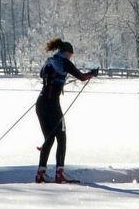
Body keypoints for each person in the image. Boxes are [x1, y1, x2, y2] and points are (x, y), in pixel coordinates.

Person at [34, 37, 98, 182]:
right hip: (52, 105)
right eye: (71, 54)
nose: (71, 57)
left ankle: (41, 174)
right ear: (67, 52)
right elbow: (81, 77)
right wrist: (92, 73)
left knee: (48, 139)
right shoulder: (64, 61)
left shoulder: (49, 61)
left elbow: (42, 75)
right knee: (61, 138)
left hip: (40, 103)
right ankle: (59, 174)